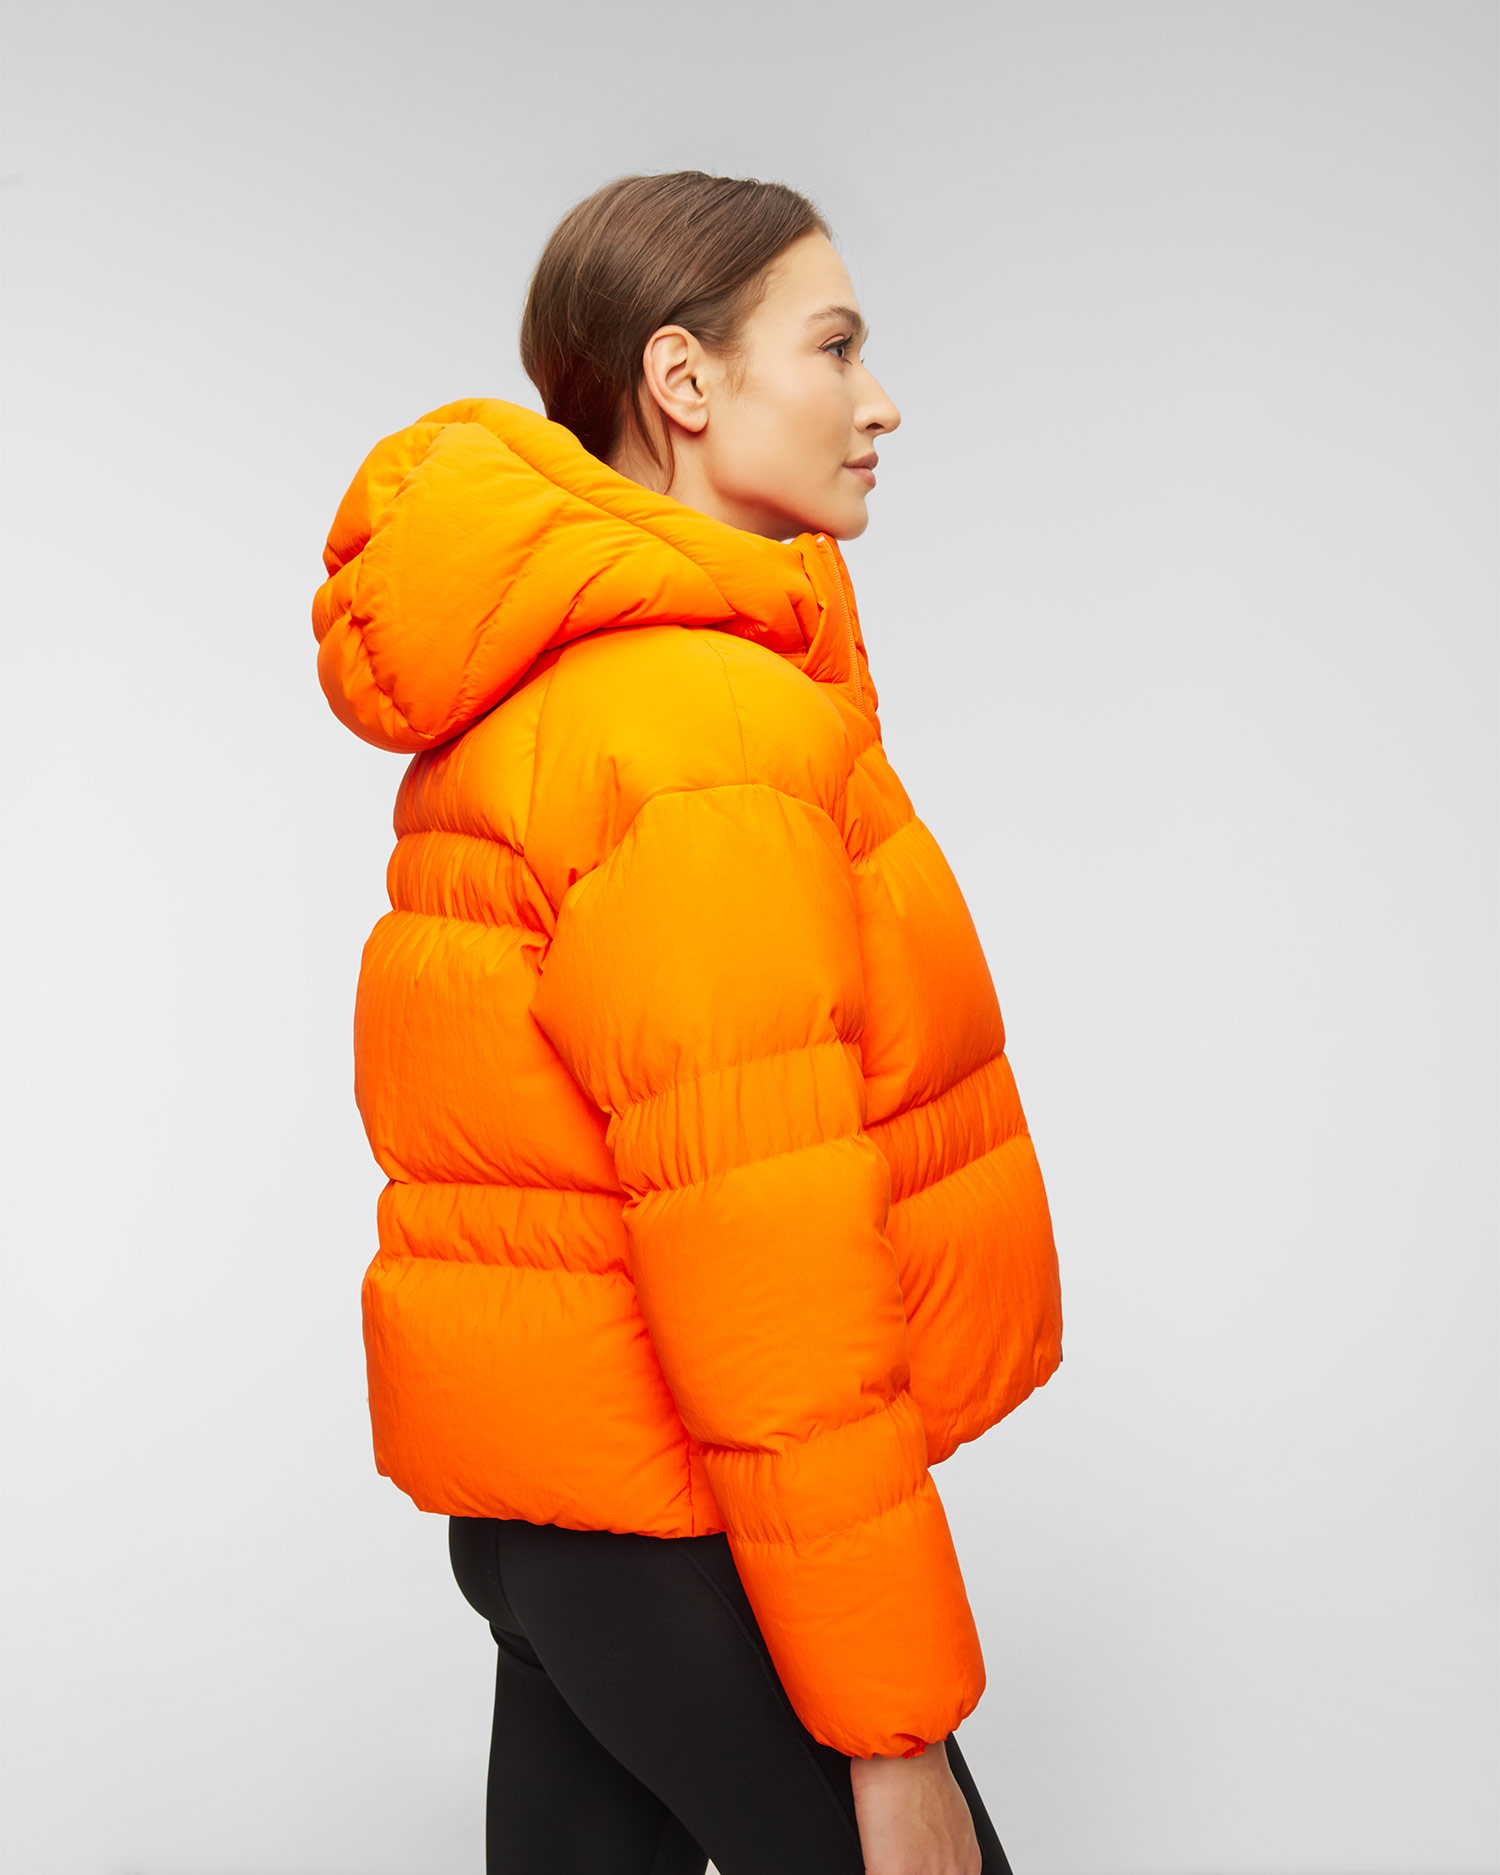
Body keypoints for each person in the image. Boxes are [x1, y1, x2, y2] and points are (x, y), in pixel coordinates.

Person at [311, 169, 1065, 1875]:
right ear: (685, 381)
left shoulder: (561, 687)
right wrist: (892, 1735)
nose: (881, 401)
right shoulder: (700, 723)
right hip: (688, 1534)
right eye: (836, 346)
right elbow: (766, 1260)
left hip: (554, 1514)